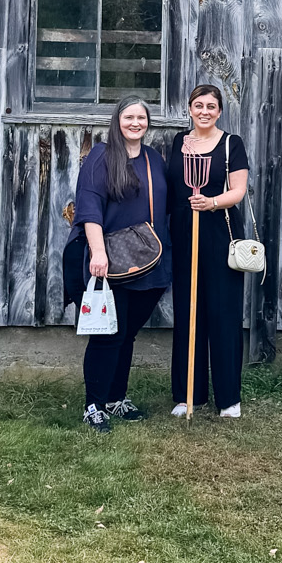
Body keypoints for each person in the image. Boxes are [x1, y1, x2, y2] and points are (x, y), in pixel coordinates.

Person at [72, 97, 171, 433]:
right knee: (108, 335)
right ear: (118, 120)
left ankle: (115, 398)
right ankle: (93, 405)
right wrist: (98, 253)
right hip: (112, 260)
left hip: (152, 260)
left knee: (127, 334)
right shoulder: (102, 156)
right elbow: (89, 206)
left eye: (141, 117)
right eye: (129, 116)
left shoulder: (154, 159)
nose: (135, 122)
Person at [166, 83, 250, 420]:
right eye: (198, 105)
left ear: (219, 111)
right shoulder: (178, 143)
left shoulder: (231, 144)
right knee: (189, 311)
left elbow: (239, 190)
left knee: (223, 312)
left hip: (220, 233)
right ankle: (189, 394)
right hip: (185, 233)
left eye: (211, 106)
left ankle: (228, 398)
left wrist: (211, 202)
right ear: (189, 108)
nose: (204, 111)